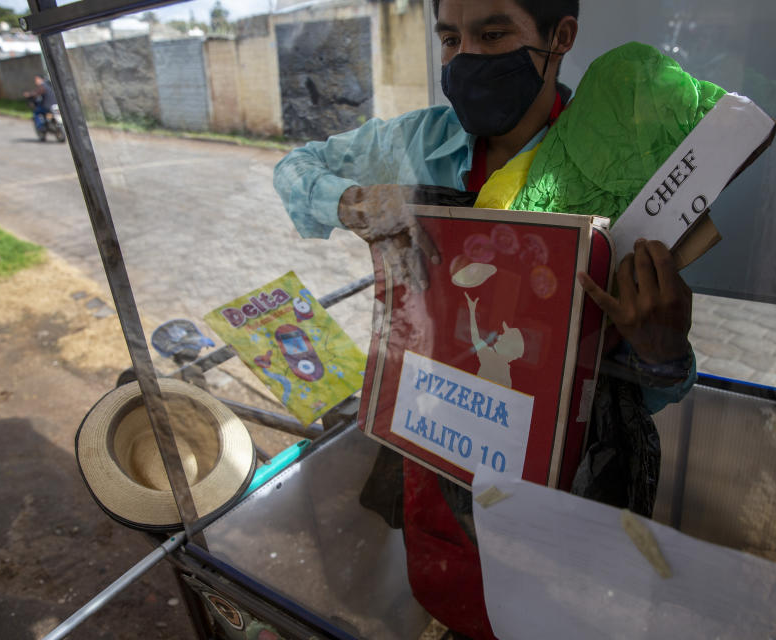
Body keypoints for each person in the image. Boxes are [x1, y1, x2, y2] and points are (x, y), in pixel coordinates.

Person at [274, 1, 695, 636]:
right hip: (438, 443)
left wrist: (661, 352)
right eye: (449, 38)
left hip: (563, 484)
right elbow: (296, 167)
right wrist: (354, 201)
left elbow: (649, 393)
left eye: (492, 34)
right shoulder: (420, 142)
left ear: (561, 38)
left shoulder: (617, 164)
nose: (465, 57)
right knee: (451, 598)